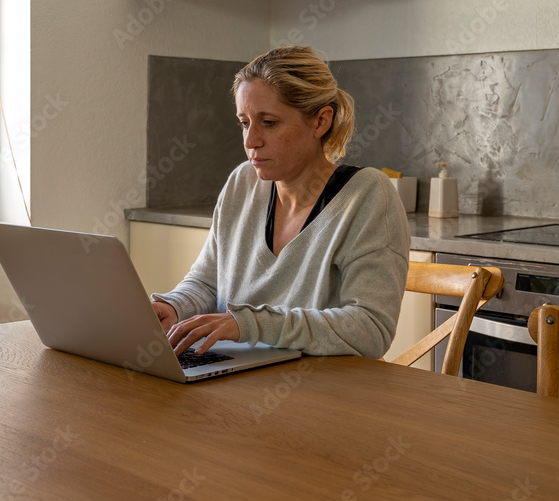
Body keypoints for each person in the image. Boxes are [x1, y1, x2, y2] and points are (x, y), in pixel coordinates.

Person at [151, 46, 410, 360]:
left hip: (325, 394)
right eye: (244, 123)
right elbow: (207, 283)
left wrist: (250, 325)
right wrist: (173, 307)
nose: (250, 142)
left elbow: (370, 329)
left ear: (320, 122)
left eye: (269, 123)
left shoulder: (366, 195)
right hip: (236, 381)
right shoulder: (242, 183)